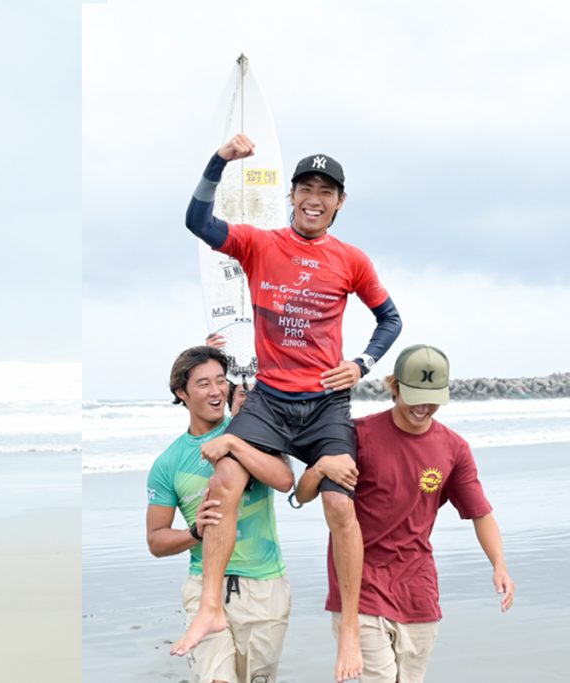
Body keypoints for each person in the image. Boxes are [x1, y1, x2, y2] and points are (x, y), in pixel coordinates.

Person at [176, 133, 403, 683]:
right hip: (273, 398)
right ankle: (210, 604)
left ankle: (349, 628)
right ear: (293, 194)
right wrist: (218, 163)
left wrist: (364, 363)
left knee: (340, 507)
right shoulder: (260, 244)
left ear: (339, 202)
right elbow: (197, 222)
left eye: (326, 191)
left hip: (327, 404)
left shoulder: (351, 260)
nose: (314, 197)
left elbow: (390, 319)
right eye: (306, 187)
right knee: (225, 475)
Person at [294, 345, 515, 683]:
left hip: (417, 588)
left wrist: (499, 564)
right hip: (359, 585)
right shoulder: (357, 434)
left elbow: (480, 513)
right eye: (414, 396)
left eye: (432, 398)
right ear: (394, 387)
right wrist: (321, 465)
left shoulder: (454, 449)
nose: (423, 407)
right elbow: (304, 493)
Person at [147, 346, 294, 683]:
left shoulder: (252, 434)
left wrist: (234, 444)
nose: (215, 391)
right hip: (203, 586)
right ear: (181, 393)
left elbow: (285, 480)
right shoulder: (167, 464)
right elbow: (156, 540)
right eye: (203, 384)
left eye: (220, 381)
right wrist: (194, 532)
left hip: (264, 585)